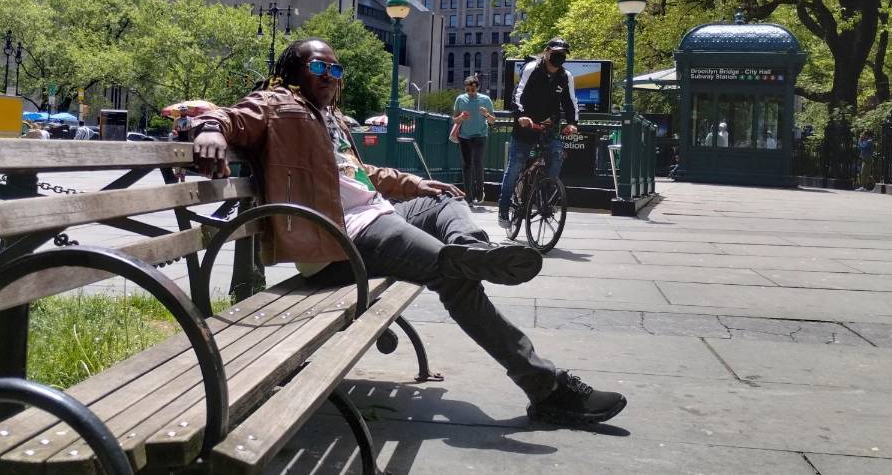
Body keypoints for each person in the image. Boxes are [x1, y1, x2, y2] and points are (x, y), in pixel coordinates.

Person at [192, 39, 626, 426]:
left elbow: (361, 175)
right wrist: (210, 129)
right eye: (318, 68)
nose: (329, 77)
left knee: (445, 201)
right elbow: (227, 117)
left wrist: (418, 184)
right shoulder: (275, 103)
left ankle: (471, 251)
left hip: (379, 219)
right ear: (294, 73)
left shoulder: (332, 119)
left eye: (335, 70)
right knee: (455, 278)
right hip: (337, 242)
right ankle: (546, 387)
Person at [497, 38, 579, 229]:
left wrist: (573, 123)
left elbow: (570, 102)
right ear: (546, 51)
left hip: (549, 126)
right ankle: (503, 209)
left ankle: (546, 195)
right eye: (556, 52)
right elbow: (517, 95)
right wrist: (521, 116)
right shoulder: (531, 69)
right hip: (527, 125)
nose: (560, 56)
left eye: (564, 53)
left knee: (557, 153)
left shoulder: (566, 76)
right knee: (515, 166)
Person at [452, 76, 496, 207]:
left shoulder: (485, 100)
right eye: (468, 89)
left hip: (480, 136)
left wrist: (486, 114)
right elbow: (454, 119)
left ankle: (479, 192)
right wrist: (460, 117)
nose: (470, 92)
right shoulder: (460, 99)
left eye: (473, 89)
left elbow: (493, 120)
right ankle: (468, 197)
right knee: (466, 165)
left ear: (477, 88)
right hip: (464, 137)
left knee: (477, 162)